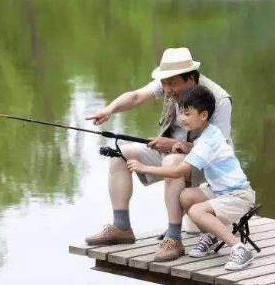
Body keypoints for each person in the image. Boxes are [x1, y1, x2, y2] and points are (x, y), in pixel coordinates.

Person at [84, 47, 233, 262]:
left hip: (207, 165)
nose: (167, 89)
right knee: (119, 154)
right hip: (170, 152)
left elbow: (217, 151)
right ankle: (121, 227)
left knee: (172, 160)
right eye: (164, 83)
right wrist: (109, 110)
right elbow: (136, 97)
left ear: (191, 79)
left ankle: (173, 238)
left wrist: (173, 144)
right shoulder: (169, 85)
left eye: (172, 83)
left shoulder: (219, 100)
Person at [127, 86, 256, 270]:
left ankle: (239, 249)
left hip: (238, 196)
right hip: (220, 191)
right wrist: (185, 147)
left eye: (187, 114)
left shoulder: (207, 140)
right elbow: (200, 149)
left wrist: (144, 167)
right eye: (181, 113)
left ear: (203, 115)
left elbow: (178, 172)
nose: (181, 119)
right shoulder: (208, 133)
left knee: (196, 211)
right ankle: (211, 235)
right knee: (186, 196)